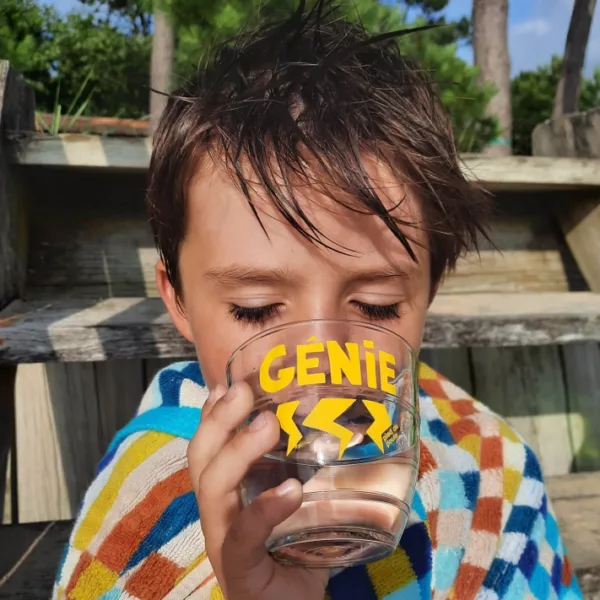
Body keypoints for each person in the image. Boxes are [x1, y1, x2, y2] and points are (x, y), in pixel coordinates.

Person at [53, 2, 582, 599]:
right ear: (177, 299)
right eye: (254, 308)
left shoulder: (488, 462)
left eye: (378, 306)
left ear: (428, 291)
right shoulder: (149, 493)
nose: (322, 358)